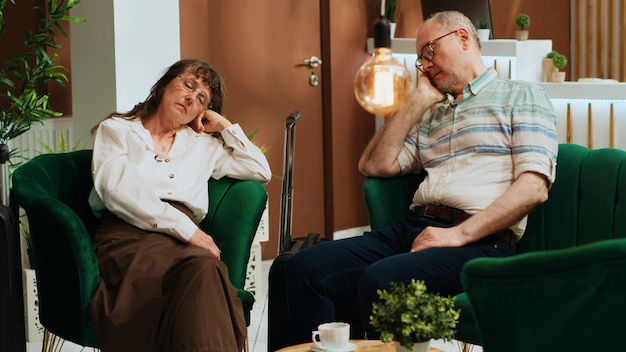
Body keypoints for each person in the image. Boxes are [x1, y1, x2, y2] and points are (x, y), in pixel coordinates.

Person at [284, 10, 558, 344]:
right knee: (298, 268)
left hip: (484, 241)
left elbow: (534, 188)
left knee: (381, 278)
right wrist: (416, 102)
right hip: (415, 228)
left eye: (429, 51)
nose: (425, 65)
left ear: (462, 37)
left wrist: (458, 235)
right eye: (419, 59)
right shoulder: (433, 116)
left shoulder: (522, 96)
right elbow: (375, 165)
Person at [86, 59, 272, 352]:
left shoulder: (203, 145)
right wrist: (187, 230)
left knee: (201, 269)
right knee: (203, 270)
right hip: (128, 235)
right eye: (188, 85)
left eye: (201, 99)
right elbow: (116, 190)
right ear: (164, 85)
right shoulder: (117, 130)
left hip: (184, 248)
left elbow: (261, 170)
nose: (191, 98)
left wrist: (224, 126)